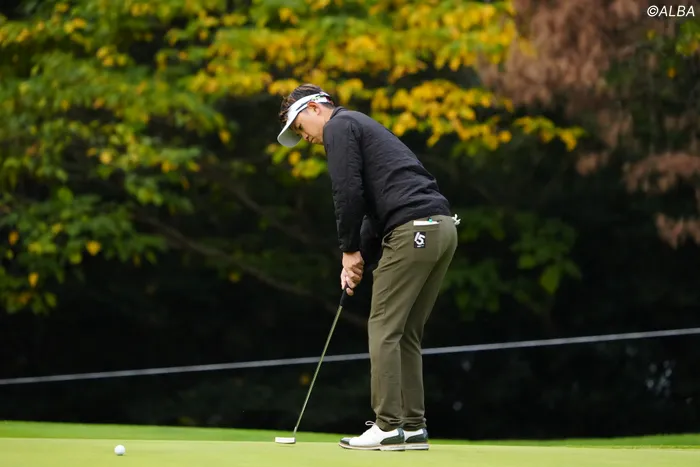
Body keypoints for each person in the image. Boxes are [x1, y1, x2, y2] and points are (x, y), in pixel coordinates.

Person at [276, 84, 459, 451]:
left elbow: (347, 191)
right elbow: (376, 204)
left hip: (413, 229)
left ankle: (387, 425)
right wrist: (357, 255)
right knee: (405, 332)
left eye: (300, 127)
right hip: (439, 229)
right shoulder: (359, 125)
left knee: (384, 326)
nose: (305, 137)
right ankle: (412, 426)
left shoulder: (338, 127)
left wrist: (348, 250)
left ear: (314, 108)